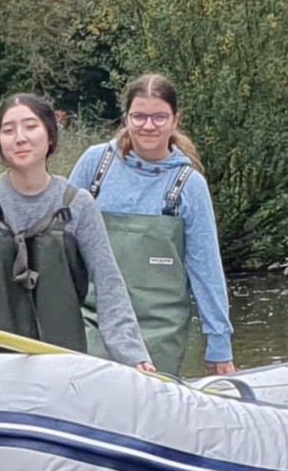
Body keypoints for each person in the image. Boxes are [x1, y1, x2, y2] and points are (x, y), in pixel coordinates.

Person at [0, 93, 156, 369]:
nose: (20, 137)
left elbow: (109, 285)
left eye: (31, 126)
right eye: (8, 130)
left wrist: (134, 357)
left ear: (50, 136)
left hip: (62, 364)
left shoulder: (79, 205)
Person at [66, 74, 235, 377]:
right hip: (93, 318)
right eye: (139, 116)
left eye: (159, 117)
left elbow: (206, 268)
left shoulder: (190, 185)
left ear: (175, 120)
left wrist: (219, 343)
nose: (148, 125)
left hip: (160, 329)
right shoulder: (95, 165)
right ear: (126, 118)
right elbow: (59, 239)